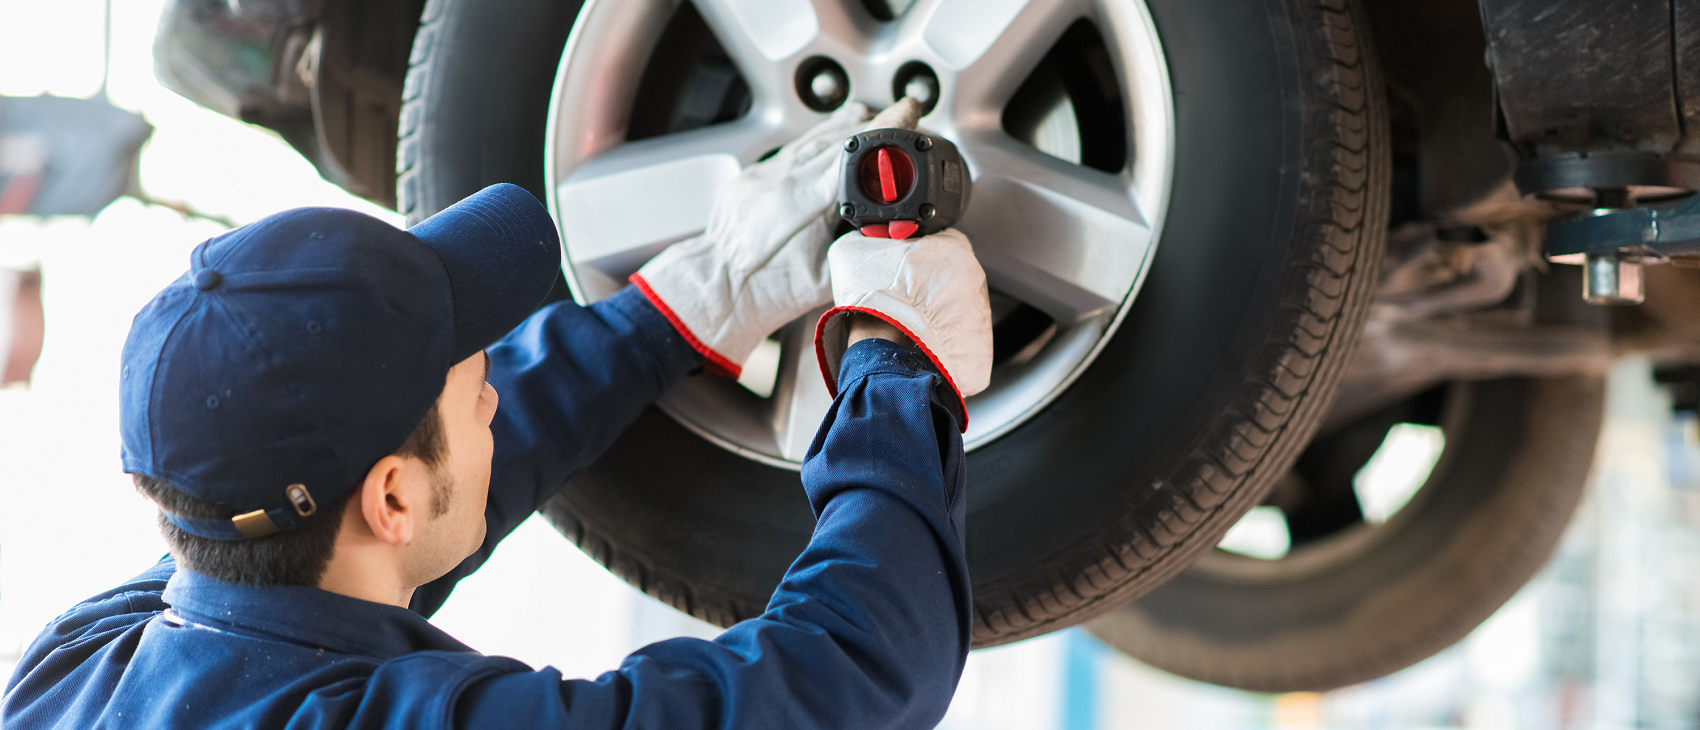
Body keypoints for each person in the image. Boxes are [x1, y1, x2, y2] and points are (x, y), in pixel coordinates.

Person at [0, 98, 994, 729]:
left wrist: (672, 313)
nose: (494, 386)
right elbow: (852, 679)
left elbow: (383, 500)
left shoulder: (80, 668)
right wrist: (892, 365)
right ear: (389, 497)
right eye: (469, 380)